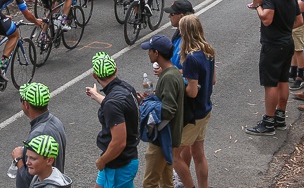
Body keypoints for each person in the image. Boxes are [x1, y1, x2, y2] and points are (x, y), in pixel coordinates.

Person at [245, 0, 299, 136]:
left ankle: (268, 122)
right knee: (283, 80)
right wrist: (285, 27)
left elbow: (266, 19)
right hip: (287, 42)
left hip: (273, 44)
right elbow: (299, 20)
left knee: (270, 83)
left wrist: (257, 5)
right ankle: (280, 116)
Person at [171, 14, 215, 188]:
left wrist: (179, 81)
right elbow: (212, 80)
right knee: (199, 154)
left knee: (173, 155)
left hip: (192, 114)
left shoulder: (190, 58)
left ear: (185, 32)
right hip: (205, 109)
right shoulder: (208, 51)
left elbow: (192, 92)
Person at [86, 52, 140, 188]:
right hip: (119, 159)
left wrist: (101, 161)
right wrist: (96, 95)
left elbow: (119, 142)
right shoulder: (126, 88)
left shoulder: (112, 103)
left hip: (118, 163)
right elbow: (116, 107)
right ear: (115, 70)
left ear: (95, 75)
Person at [140, 35, 183, 188]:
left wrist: (146, 105)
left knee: (149, 183)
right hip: (169, 136)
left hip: (162, 137)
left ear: (156, 53)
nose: (148, 53)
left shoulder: (169, 77)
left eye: (150, 50)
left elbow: (168, 110)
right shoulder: (172, 73)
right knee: (166, 181)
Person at [13, 82, 68, 188]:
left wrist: (18, 159)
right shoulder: (56, 122)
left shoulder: (38, 134)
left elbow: (30, 178)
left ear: (26, 104)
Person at [164, 0, 195, 68]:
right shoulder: (179, 33)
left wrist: (166, 71)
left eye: (172, 14)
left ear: (181, 16)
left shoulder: (190, 41)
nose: (169, 16)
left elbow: (193, 71)